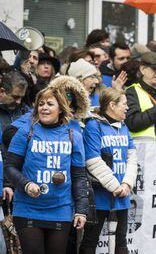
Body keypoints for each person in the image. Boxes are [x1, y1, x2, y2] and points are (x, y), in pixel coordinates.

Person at [4, 87, 88, 253]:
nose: (44, 107)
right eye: (40, 104)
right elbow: (10, 167)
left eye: (50, 104)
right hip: (28, 209)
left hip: (61, 209)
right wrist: (26, 184)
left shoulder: (73, 135)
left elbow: (79, 176)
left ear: (61, 108)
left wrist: (81, 211)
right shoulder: (25, 132)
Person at [79, 88, 138, 254]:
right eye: (124, 104)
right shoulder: (93, 125)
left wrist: (126, 184)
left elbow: (132, 158)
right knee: (90, 241)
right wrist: (115, 186)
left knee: (121, 241)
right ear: (112, 105)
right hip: (100, 196)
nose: (127, 108)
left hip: (122, 196)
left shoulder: (124, 127)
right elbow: (92, 160)